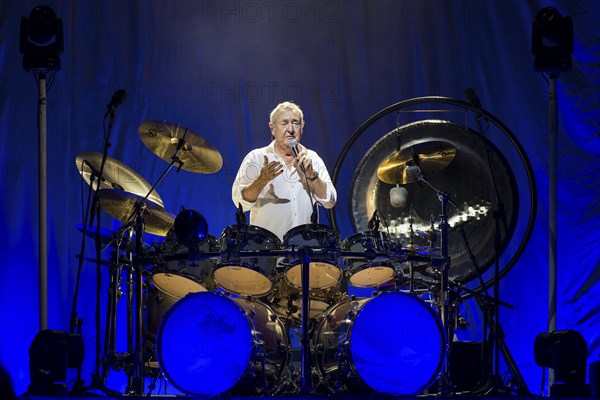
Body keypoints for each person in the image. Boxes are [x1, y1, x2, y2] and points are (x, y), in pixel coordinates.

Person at [232, 101, 337, 241]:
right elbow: (239, 201)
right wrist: (261, 181)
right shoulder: (256, 158)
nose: (291, 129)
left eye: (295, 123)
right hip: (267, 252)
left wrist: (312, 176)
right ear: (272, 128)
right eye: (284, 123)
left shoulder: (312, 158)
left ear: (302, 127)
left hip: (304, 251)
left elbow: (329, 201)